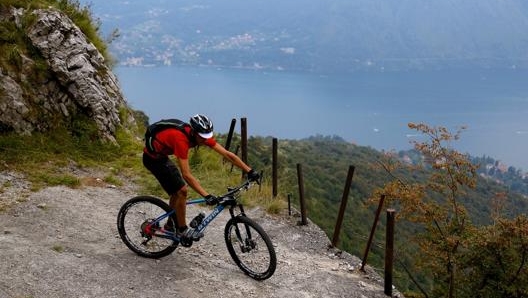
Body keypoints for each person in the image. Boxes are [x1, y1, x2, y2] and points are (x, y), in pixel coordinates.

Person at [142, 114, 260, 242]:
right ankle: (182, 230)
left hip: (163, 156)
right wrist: (206, 195)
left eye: (207, 137)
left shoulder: (201, 136)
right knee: (182, 191)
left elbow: (227, 155)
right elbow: (186, 174)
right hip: (153, 160)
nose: (205, 140)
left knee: (177, 193)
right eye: (203, 138)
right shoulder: (180, 140)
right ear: (193, 132)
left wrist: (249, 170)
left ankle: (171, 225)